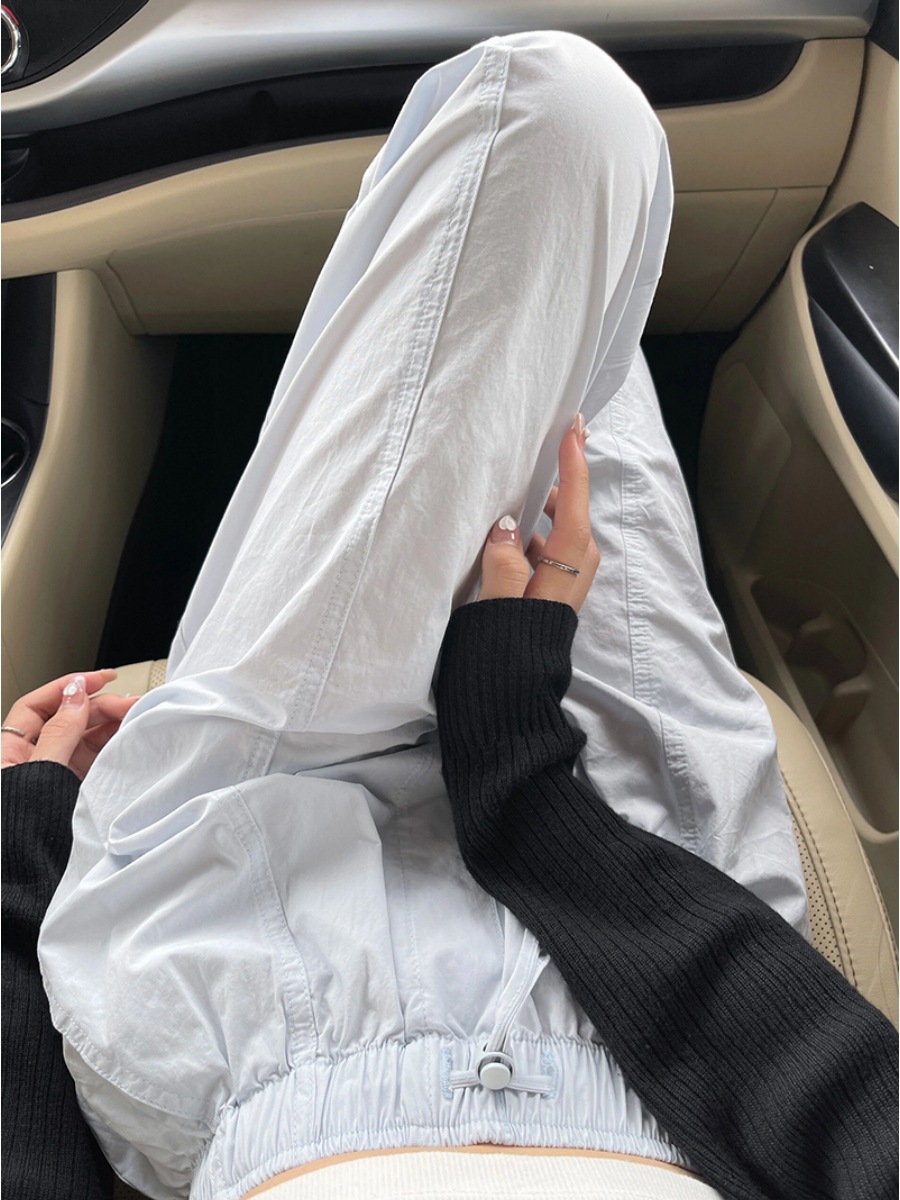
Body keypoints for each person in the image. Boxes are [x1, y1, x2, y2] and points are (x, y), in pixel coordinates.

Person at [4, 28, 893, 1200]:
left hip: (237, 999)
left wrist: (21, 857)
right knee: (569, 233)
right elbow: (848, 1101)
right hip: (674, 1003)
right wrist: (512, 752)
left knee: (551, 115)